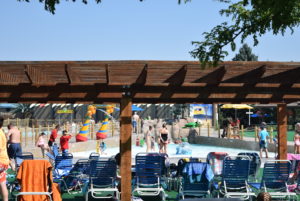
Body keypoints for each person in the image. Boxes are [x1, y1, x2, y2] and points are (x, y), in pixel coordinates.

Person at [0, 117, 9, 201]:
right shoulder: (1, 132)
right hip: (4, 161)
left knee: (2, 183)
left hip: (1, 161)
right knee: (2, 183)